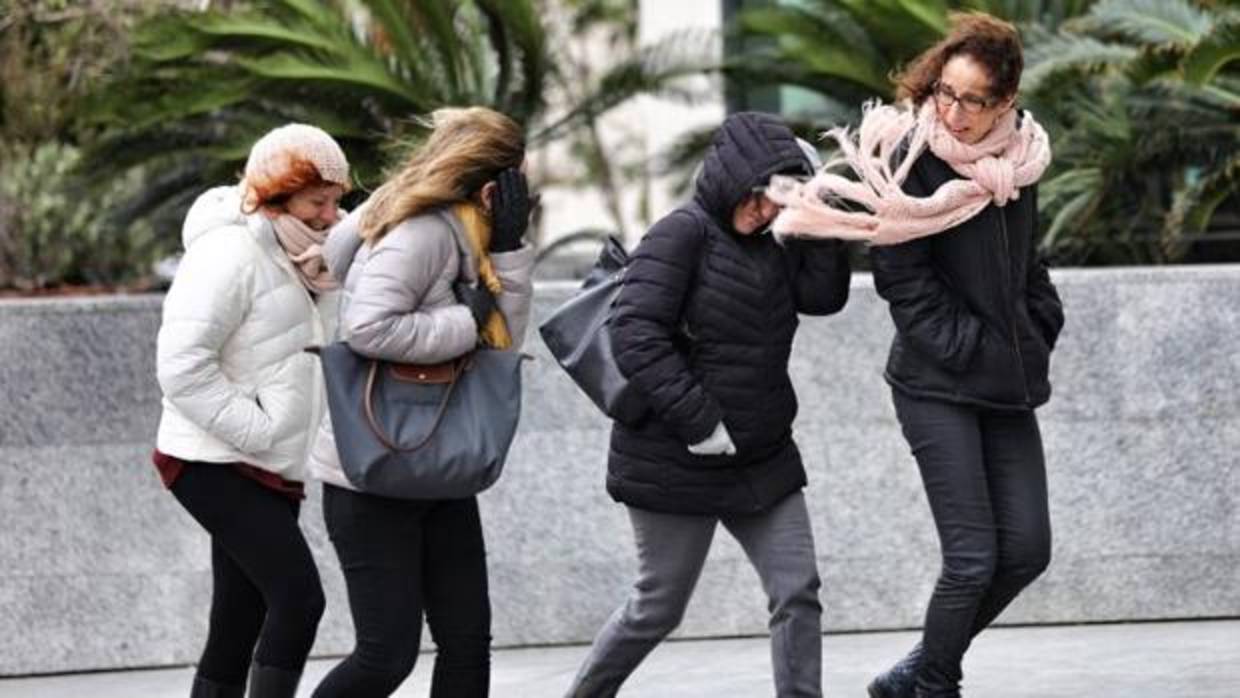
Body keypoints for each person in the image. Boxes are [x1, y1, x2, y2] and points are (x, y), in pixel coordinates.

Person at [769, 12, 1064, 698]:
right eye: (946, 93)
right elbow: (905, 287)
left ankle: (923, 670)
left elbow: (1029, 263)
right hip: (936, 385)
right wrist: (981, 348)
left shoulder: (1019, 163)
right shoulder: (906, 156)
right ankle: (931, 683)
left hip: (1007, 380)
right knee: (972, 558)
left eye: (973, 101)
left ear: (1007, 104)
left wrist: (1039, 325)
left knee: (1027, 550)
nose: (954, 112)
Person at [565, 112, 852, 698]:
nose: (766, 210)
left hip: (761, 457)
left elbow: (823, 297)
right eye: (760, 195)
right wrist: (701, 422)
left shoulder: (779, 240)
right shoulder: (682, 233)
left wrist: (819, 211)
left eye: (779, 199)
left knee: (797, 591)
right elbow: (635, 333)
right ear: (732, 177)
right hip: (675, 458)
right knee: (657, 609)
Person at [307, 106, 536, 698]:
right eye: (517, 181)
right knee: (386, 655)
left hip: (438, 464)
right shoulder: (424, 231)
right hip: (375, 476)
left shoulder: (473, 233)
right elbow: (367, 327)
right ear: (491, 185)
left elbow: (503, 342)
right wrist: (465, 318)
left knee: (467, 641)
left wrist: (508, 251)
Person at [154, 123, 351, 698]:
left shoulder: (301, 256)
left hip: (266, 464)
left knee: (237, 623)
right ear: (277, 193)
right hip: (211, 460)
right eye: (319, 201)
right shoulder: (229, 252)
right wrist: (259, 428)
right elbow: (182, 364)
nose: (332, 215)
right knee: (298, 599)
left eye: (336, 201)